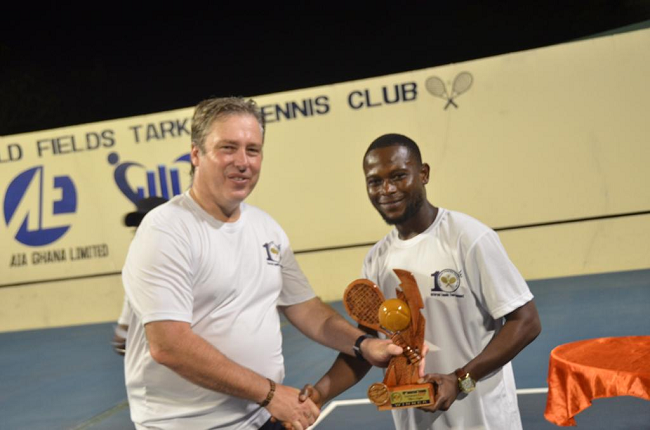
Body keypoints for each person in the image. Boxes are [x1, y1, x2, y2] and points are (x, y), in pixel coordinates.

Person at [121, 97, 402, 430]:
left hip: (262, 418)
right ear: (196, 154)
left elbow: (306, 309)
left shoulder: (266, 228)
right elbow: (169, 345)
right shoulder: (166, 229)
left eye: (252, 150)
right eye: (228, 148)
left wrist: (364, 345)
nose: (243, 162)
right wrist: (270, 394)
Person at [303, 133, 541, 430]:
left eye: (398, 176)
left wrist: (460, 380)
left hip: (483, 421)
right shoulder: (376, 259)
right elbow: (367, 344)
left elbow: (526, 322)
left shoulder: (468, 238)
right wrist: (320, 393)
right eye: (375, 181)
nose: (387, 189)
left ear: (423, 174)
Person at [111, 196, 169, 356]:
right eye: (137, 229)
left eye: (148, 226)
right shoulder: (138, 264)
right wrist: (124, 328)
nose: (141, 234)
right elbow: (132, 294)